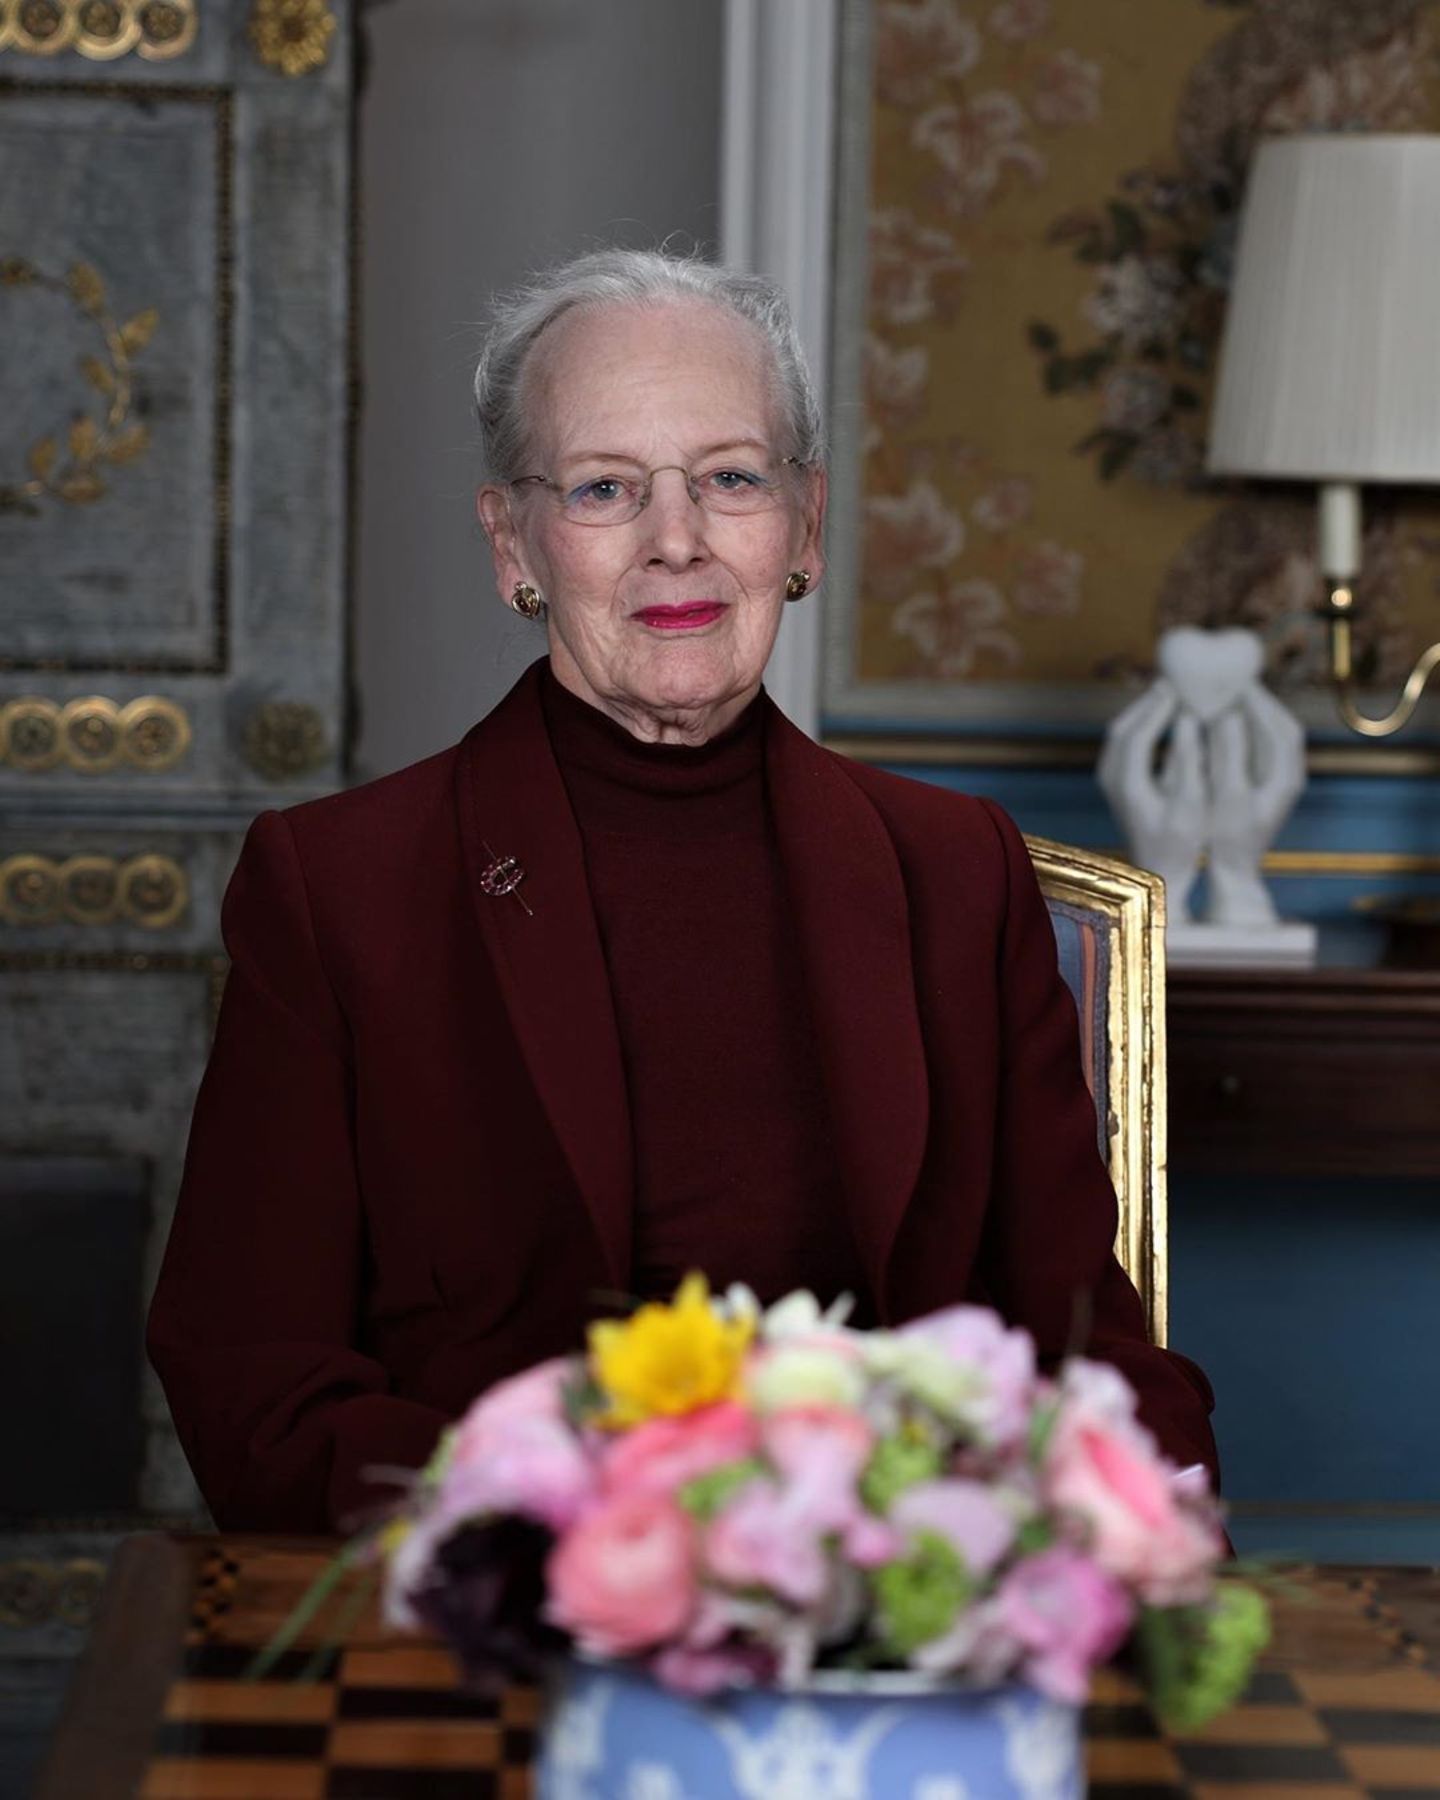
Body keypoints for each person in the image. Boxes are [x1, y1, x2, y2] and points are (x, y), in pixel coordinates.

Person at [148, 250, 1218, 1533]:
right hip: (495, 1637)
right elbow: (251, 1382)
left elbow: (1078, 1335)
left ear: (804, 525)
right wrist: (585, 1535)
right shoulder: (340, 888)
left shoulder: (953, 870)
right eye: (605, 488)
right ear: (514, 543)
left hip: (894, 1612)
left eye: (730, 478)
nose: (678, 542)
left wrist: (1150, 1510)